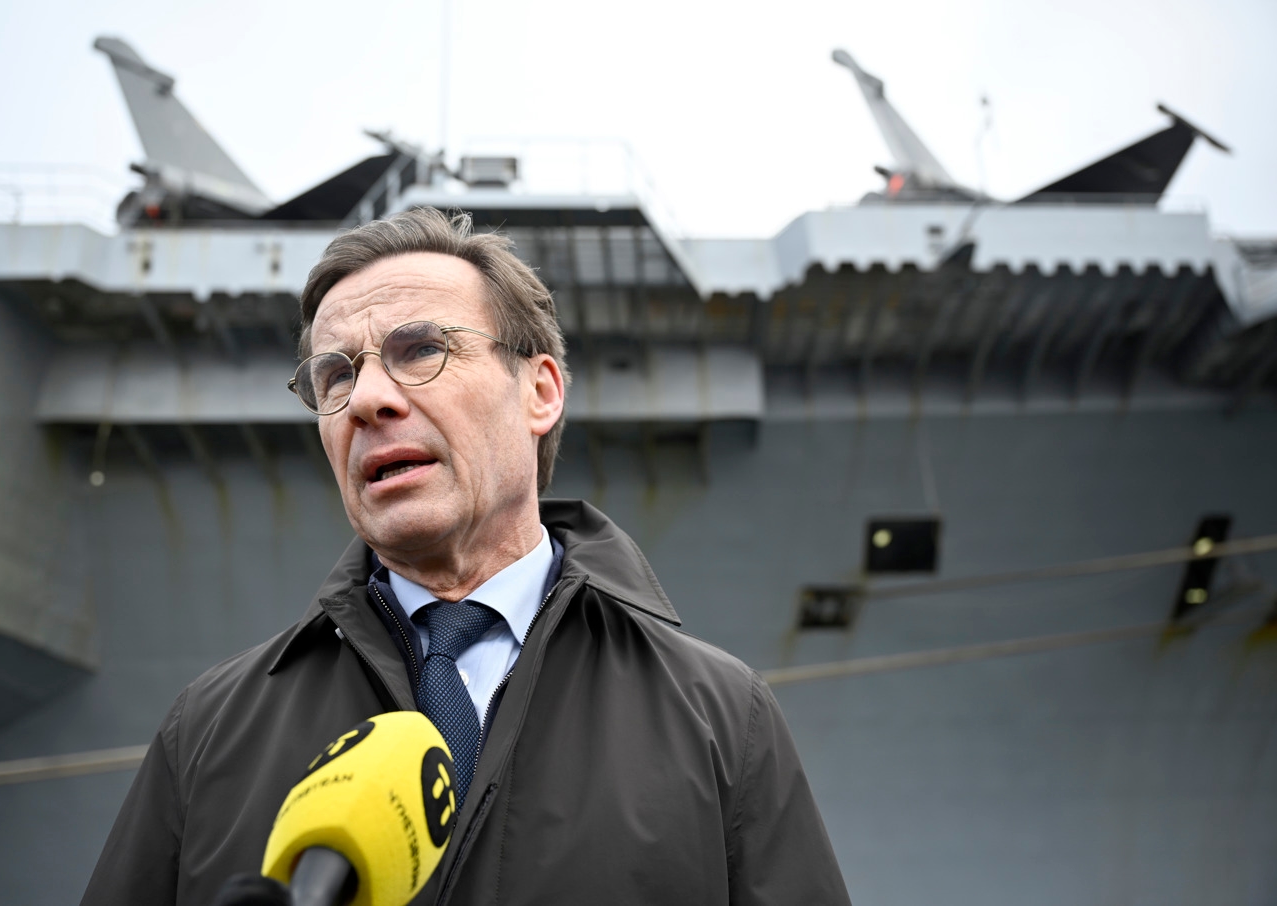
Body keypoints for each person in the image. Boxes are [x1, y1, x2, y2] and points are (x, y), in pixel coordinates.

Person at [82, 207, 851, 906]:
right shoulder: (207, 731)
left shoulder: (723, 718)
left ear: (540, 392)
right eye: (335, 373)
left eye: (421, 350)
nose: (367, 400)